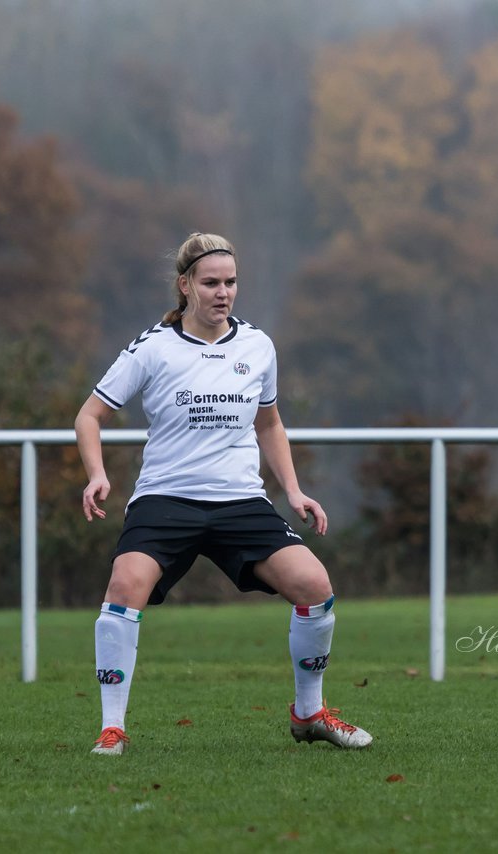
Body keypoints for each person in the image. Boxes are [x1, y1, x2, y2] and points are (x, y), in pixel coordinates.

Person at [75, 232, 372, 756]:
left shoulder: (257, 346)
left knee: (314, 584)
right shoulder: (154, 348)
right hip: (166, 498)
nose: (223, 293)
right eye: (211, 283)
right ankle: (112, 727)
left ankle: (309, 714)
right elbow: (90, 416)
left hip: (239, 501)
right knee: (125, 586)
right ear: (185, 285)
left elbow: (270, 424)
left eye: (231, 282)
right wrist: (97, 473)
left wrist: (294, 490)